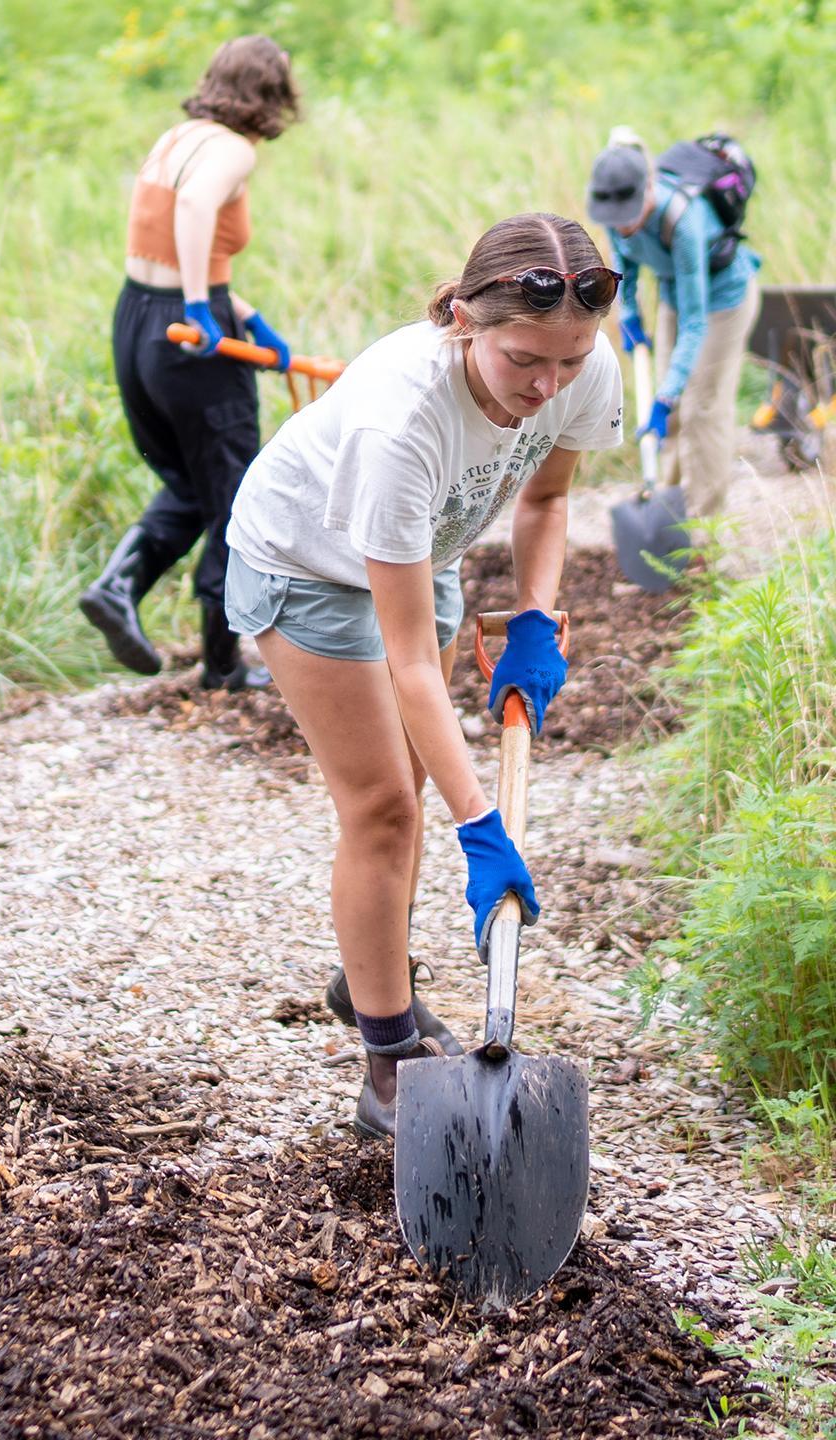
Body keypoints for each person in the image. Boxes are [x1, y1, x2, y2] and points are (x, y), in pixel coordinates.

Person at [224, 213, 625, 1136]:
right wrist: (482, 829)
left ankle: (367, 971)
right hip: (307, 562)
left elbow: (551, 498)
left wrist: (533, 615)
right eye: (524, 360)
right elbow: (411, 666)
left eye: (566, 364)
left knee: (407, 784)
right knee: (385, 809)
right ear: (464, 320)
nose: (546, 385)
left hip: (421, 551)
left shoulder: (575, 363)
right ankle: (388, 1060)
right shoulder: (401, 417)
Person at [80, 34, 300, 691]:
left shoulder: (177, 138)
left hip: (138, 320)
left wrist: (241, 311)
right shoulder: (231, 150)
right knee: (236, 491)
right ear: (271, 96)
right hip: (186, 335)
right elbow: (196, 209)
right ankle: (224, 663)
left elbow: (164, 247)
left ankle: (118, 586)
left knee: (189, 480)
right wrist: (205, 309)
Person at [586, 134, 760, 516]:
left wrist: (664, 398)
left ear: (648, 189)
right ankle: (667, 507)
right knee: (674, 403)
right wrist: (628, 314)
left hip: (722, 301)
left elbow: (695, 322)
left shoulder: (684, 222)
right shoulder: (616, 204)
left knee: (702, 408)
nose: (623, 225)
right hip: (673, 295)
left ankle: (703, 530)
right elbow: (625, 266)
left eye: (630, 215)